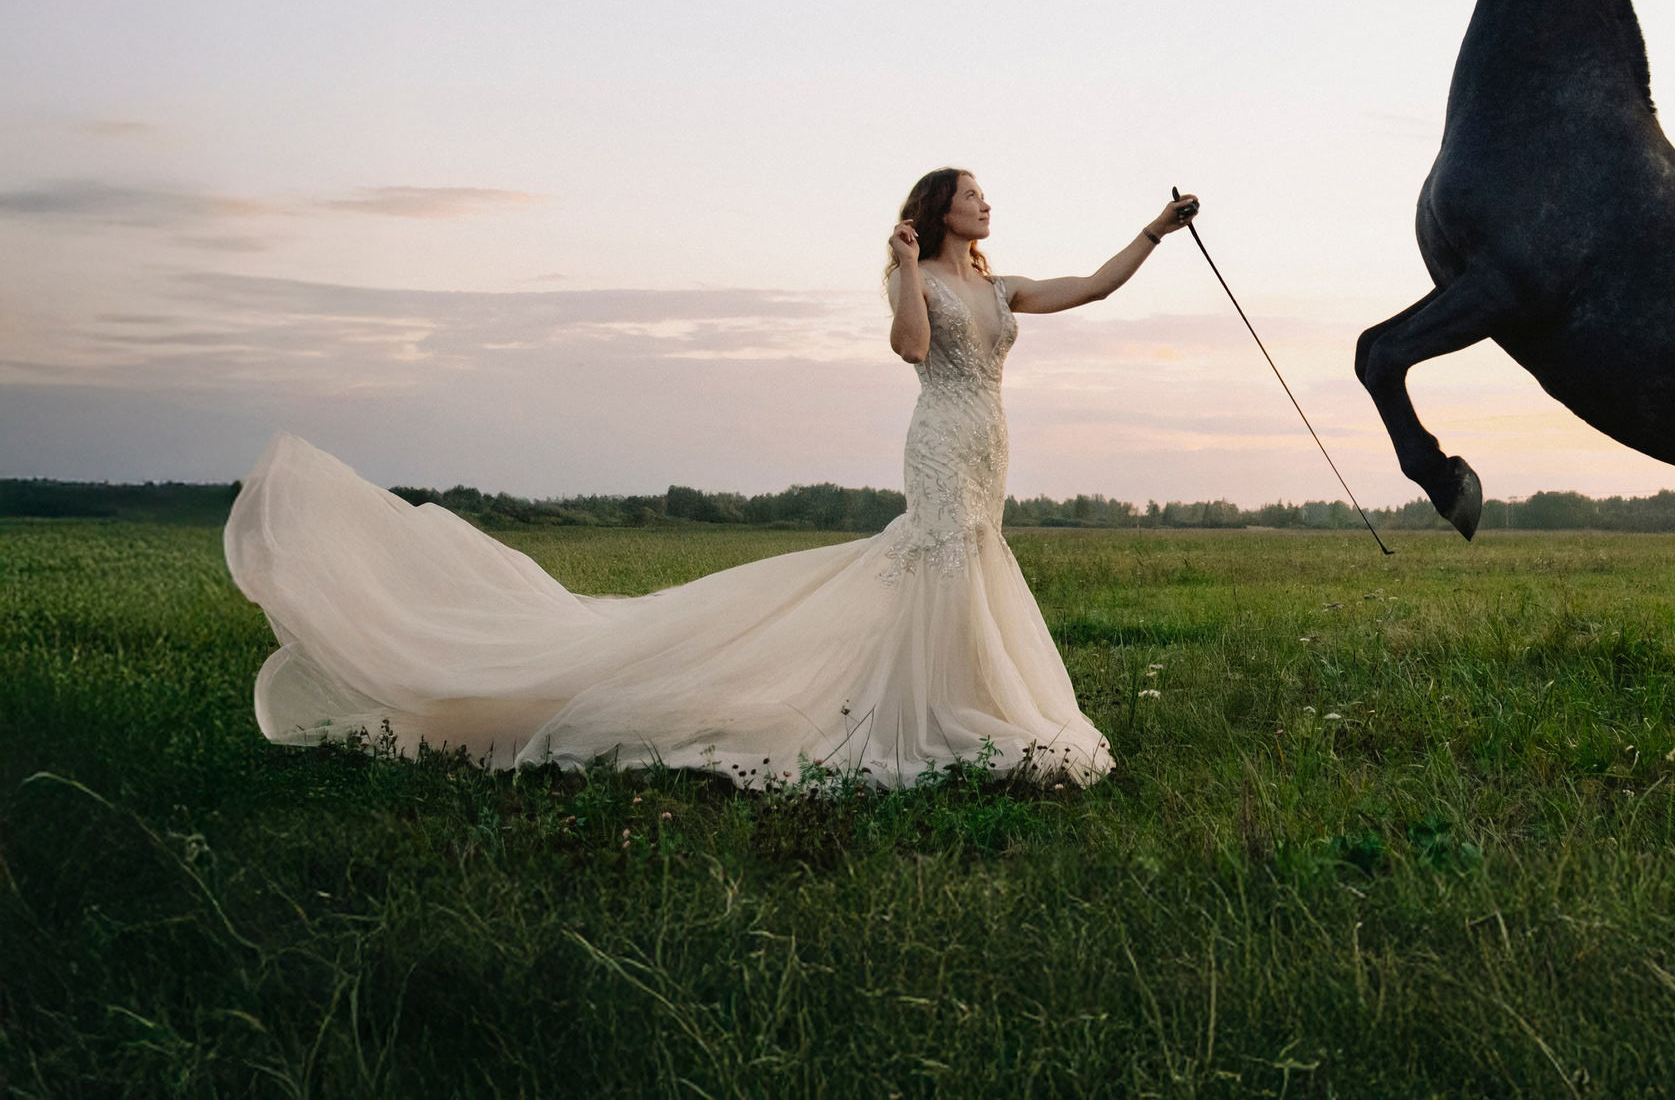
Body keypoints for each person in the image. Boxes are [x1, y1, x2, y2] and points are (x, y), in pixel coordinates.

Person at [223, 169, 1201, 790]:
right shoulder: (926, 279)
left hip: (990, 441)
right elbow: (910, 347)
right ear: (938, 208)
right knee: (939, 559)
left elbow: (1092, 285)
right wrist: (906, 266)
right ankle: (926, 717)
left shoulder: (999, 284)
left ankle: (960, 701)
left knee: (971, 563)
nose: (988, 204)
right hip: (942, 436)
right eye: (974, 194)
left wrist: (1156, 229)